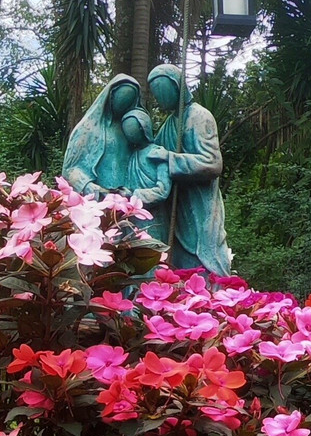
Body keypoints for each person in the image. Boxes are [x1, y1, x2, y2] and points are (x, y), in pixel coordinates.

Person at [146, 64, 232, 277]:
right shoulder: (169, 124)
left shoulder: (199, 116)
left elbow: (212, 162)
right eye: (155, 94)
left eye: (162, 91)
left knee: (205, 258)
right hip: (177, 205)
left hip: (199, 204)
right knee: (179, 262)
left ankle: (217, 303)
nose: (159, 98)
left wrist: (170, 158)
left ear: (176, 87)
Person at [62, 75, 143, 197]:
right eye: (120, 98)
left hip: (126, 198)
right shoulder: (88, 128)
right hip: (96, 200)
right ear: (110, 96)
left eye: (128, 101)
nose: (122, 105)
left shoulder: (131, 129)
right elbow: (69, 169)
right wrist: (87, 186)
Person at [120, 108, 171, 240]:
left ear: (144, 129)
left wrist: (134, 195)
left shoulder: (157, 153)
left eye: (133, 129)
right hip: (131, 219)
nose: (130, 134)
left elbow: (163, 191)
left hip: (153, 219)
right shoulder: (132, 155)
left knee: (152, 256)